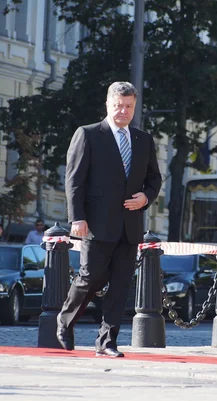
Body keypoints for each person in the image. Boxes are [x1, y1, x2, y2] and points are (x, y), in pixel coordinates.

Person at [56, 81, 162, 357]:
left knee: (120, 284)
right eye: (118, 106)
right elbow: (74, 180)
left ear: (134, 107)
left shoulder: (143, 140)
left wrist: (146, 198)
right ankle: (65, 321)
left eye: (129, 107)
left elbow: (154, 179)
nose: (123, 111)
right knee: (90, 277)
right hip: (96, 224)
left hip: (130, 225)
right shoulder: (89, 134)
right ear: (108, 104)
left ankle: (107, 341)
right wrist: (76, 217)